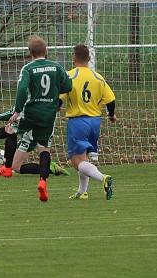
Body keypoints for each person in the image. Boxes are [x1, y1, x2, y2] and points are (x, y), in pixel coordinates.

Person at [0, 35, 72, 202]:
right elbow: (68, 86)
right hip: (48, 115)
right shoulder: (57, 67)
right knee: (44, 149)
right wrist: (55, 97)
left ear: (30, 53)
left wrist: (16, 111)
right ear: (46, 51)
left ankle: (8, 168)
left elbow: (22, 90)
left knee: (9, 129)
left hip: (30, 113)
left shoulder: (28, 69)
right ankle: (43, 181)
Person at [59, 44, 115, 201]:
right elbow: (111, 99)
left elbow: (60, 98)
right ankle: (82, 192)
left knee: (77, 161)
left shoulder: (69, 76)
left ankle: (103, 178)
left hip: (78, 122)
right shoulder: (98, 77)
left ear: (74, 58)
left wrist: (55, 108)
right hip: (95, 122)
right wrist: (111, 115)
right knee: (83, 157)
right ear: (89, 59)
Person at [0, 120, 68, 177]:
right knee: (12, 127)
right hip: (42, 125)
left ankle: (6, 167)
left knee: (16, 166)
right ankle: (49, 168)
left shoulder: (28, 98)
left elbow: (13, 112)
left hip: (32, 130)